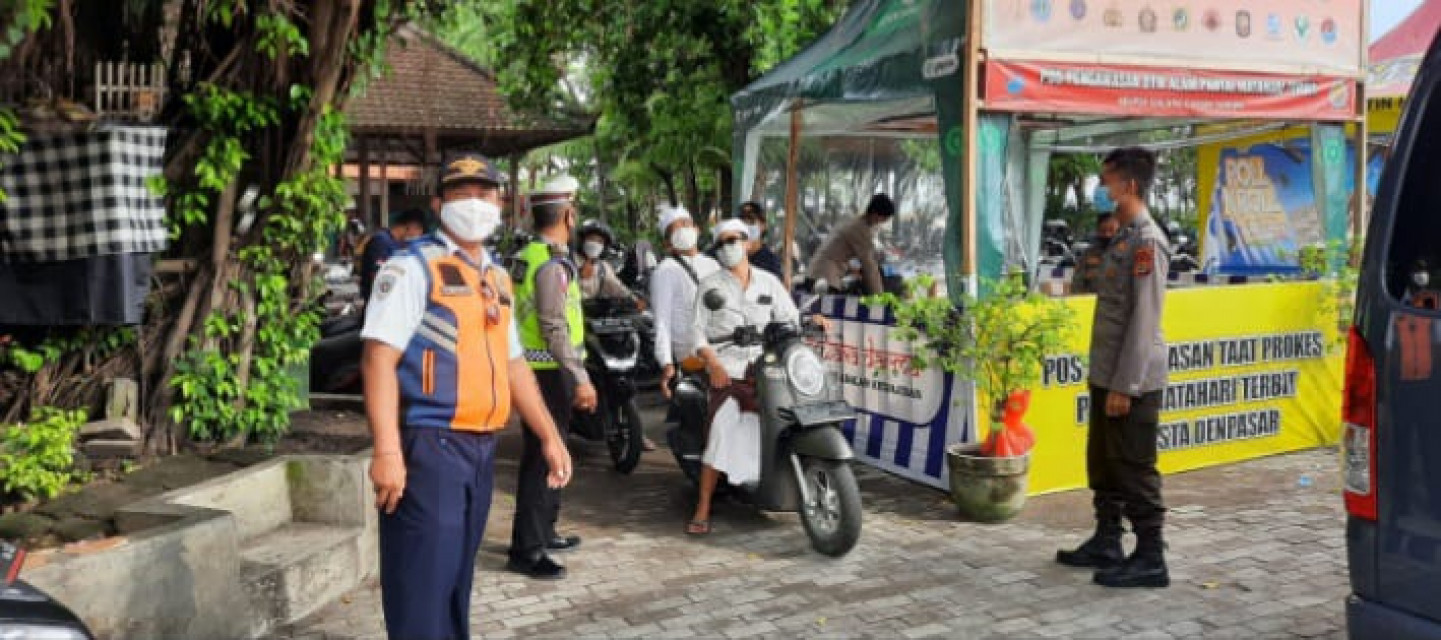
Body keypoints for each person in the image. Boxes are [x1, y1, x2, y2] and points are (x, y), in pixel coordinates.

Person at [360, 151, 573, 640]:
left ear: (502, 203)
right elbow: (378, 360)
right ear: (439, 203)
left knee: (455, 582)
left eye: (485, 193)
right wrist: (387, 451)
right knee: (422, 583)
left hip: (480, 448)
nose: (475, 203)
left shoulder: (495, 276)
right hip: (430, 447)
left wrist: (548, 436)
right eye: (462, 193)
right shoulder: (412, 268)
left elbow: (516, 363)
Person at [1055, 146, 1172, 589]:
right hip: (1108, 373)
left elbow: (1144, 319)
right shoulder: (1121, 238)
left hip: (1132, 378)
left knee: (1135, 466)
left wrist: (1126, 384)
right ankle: (1107, 539)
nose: (1100, 190)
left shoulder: (1147, 241)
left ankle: (1150, 557)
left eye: (1106, 182)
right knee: (1104, 463)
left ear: (1129, 185)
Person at [685, 219, 827, 535]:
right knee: (721, 428)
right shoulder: (711, 286)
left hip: (769, 367)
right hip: (729, 371)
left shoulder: (769, 282)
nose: (727, 247)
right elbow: (696, 333)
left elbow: (789, 318)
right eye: (720, 243)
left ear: (748, 243)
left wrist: (810, 320)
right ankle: (703, 505)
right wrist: (713, 364)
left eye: (732, 240)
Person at [507, 177, 595, 580]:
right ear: (567, 215)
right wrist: (579, 377)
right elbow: (553, 326)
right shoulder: (551, 264)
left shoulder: (529, 254)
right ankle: (527, 550)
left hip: (537, 370)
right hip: (548, 371)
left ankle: (544, 530)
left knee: (548, 453)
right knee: (544, 456)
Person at [650, 205, 721, 397]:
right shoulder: (665, 270)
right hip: (693, 356)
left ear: (697, 230)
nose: (682, 229)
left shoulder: (713, 264)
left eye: (686, 224)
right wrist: (666, 363)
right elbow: (662, 321)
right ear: (667, 243)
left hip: (724, 347)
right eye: (675, 228)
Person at [806, 194, 894, 295]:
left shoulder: (854, 222)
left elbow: (838, 253)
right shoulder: (860, 229)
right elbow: (869, 265)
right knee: (824, 309)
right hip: (825, 278)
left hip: (816, 273)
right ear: (876, 214)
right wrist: (879, 296)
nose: (881, 223)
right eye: (883, 219)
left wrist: (851, 269)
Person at [359, 208, 428, 302]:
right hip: (378, 303)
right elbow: (378, 276)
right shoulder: (382, 241)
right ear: (411, 226)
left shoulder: (400, 244)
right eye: (419, 230)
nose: (419, 235)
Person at [1070, 211, 1121, 295]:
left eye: (1111, 230)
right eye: (1103, 231)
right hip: (1091, 303)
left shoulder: (1127, 254)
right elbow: (1077, 282)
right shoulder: (1088, 254)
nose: (1107, 234)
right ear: (1097, 231)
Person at [738, 201, 783, 277]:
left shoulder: (771, 262)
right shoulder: (733, 255)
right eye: (742, 221)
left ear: (763, 225)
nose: (746, 224)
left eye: (751, 220)